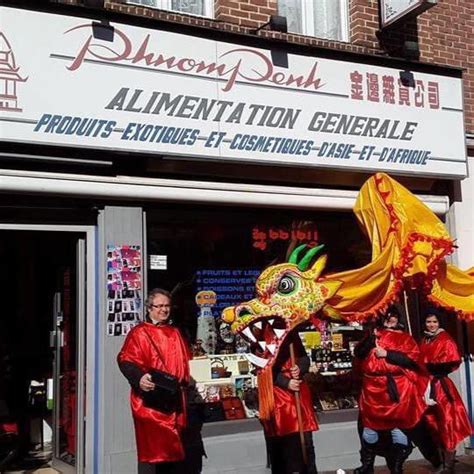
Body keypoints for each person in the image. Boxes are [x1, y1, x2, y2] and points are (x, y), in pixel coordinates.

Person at [117, 288, 190, 474]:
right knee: (152, 453)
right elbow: (126, 360)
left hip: (173, 401)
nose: (164, 310)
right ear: (149, 308)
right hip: (150, 403)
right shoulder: (139, 333)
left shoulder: (174, 332)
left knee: (172, 454)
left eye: (167, 306)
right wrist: (139, 378)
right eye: (159, 306)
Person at [353, 306, 425, 474]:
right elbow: (359, 354)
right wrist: (369, 341)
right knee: (369, 427)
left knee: (398, 427)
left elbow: (413, 360)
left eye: (394, 316)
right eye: (387, 316)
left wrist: (388, 354)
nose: (391, 319)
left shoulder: (405, 338)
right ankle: (367, 465)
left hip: (397, 389)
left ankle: (397, 466)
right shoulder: (373, 335)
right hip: (373, 390)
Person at [419, 307, 472, 473]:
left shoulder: (445, 339)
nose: (431, 325)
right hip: (428, 385)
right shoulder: (425, 339)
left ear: (439, 323)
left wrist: (433, 367)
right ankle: (443, 459)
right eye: (428, 322)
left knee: (446, 420)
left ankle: (448, 464)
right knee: (431, 421)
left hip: (441, 386)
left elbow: (452, 361)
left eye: (434, 321)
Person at [265, 331, 318, 474]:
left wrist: (299, 367)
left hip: (298, 395)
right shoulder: (262, 336)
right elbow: (264, 369)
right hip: (279, 398)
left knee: (306, 444)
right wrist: (286, 382)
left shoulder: (291, 332)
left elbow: (304, 358)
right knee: (283, 445)